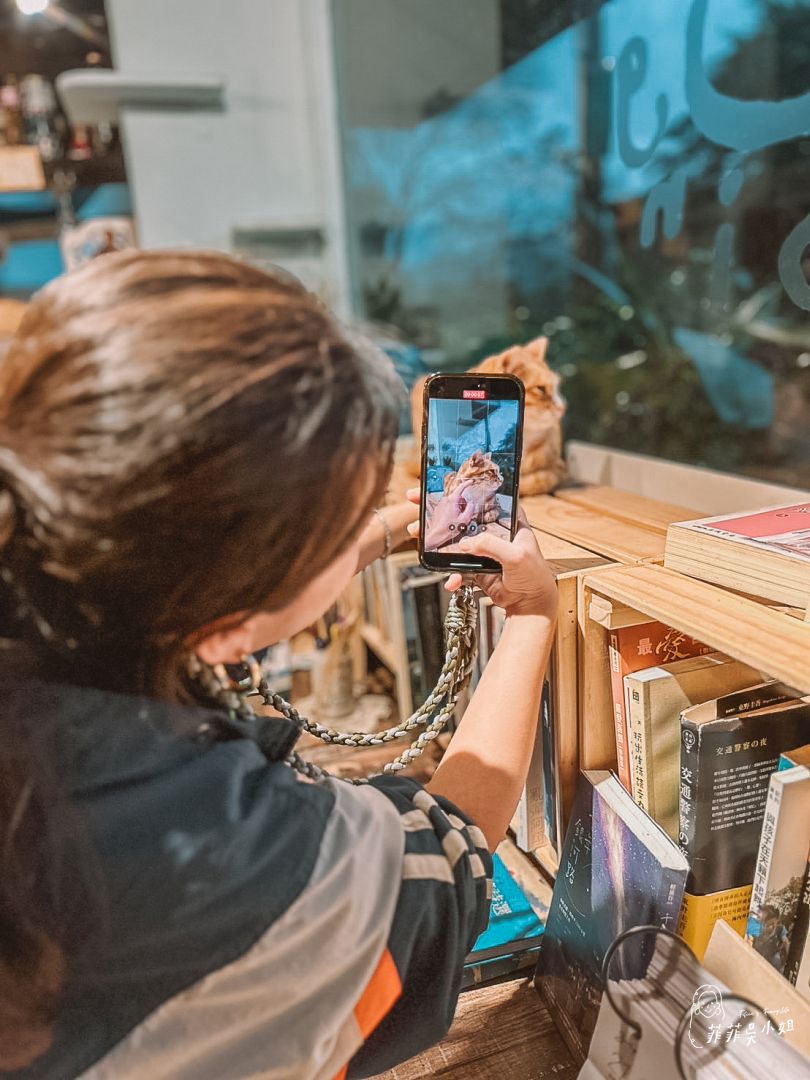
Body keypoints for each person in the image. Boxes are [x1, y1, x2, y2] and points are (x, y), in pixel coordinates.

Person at [0, 250, 558, 1079]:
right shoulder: (253, 855)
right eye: (333, 526)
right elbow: (452, 855)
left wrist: (353, 539)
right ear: (229, 625)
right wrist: (535, 617)